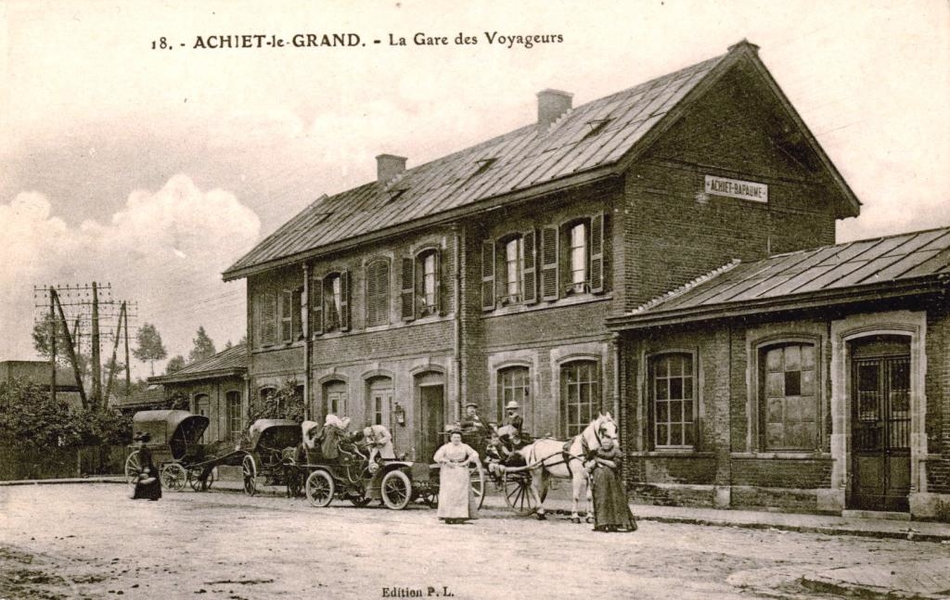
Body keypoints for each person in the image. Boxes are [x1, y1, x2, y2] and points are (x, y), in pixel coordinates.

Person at [585, 436, 637, 533]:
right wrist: (589, 467)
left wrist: (600, 460)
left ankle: (617, 524)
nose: (605, 445)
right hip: (600, 482)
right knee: (601, 501)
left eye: (607, 443)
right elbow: (590, 463)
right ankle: (602, 525)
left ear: (611, 443)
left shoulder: (616, 452)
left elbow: (615, 465)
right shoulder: (597, 451)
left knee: (615, 501)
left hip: (613, 482)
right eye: (604, 443)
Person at [433, 426, 480, 524]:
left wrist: (467, 461)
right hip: (448, 471)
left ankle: (460, 516)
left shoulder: (464, 446)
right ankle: (447, 516)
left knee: (460, 494)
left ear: (461, 438)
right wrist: (446, 461)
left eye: (458, 437)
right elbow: (436, 457)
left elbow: (474, 454)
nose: (456, 439)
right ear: (451, 438)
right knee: (449, 493)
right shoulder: (446, 447)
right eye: (454, 437)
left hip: (461, 471)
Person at [130, 432, 162, 501]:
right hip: (152, 469)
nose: (138, 444)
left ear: (141, 442)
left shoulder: (142, 450)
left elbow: (146, 460)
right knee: (149, 481)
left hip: (148, 468)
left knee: (141, 480)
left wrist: (146, 468)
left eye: (139, 442)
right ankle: (153, 496)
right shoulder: (147, 449)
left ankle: (137, 495)